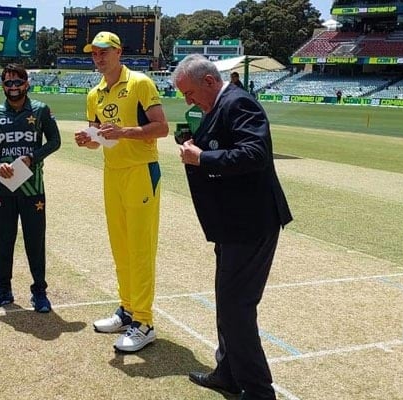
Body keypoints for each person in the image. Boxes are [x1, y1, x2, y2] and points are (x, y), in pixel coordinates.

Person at [172, 54, 292, 399]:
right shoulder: (218, 106)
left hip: (251, 224)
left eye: (190, 93)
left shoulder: (239, 102)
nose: (188, 101)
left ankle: (258, 391)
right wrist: (196, 146)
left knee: (236, 307)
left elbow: (255, 153)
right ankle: (228, 372)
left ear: (209, 82)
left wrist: (202, 157)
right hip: (232, 224)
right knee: (227, 303)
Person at [74, 31, 169, 352]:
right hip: (112, 173)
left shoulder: (140, 83)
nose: (97, 58)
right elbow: (102, 138)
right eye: (93, 53)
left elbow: (162, 127)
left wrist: (124, 131)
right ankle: (128, 309)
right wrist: (88, 140)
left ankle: (144, 321)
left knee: (140, 248)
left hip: (141, 172)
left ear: (118, 52)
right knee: (121, 247)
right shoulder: (94, 94)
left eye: (103, 52)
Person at [0, 63, 61, 313]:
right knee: (4, 239)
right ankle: (2, 289)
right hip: (4, 187)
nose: (13, 87)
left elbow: (55, 141)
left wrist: (32, 158)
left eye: (18, 82)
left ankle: (39, 291)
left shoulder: (40, 109)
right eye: (8, 83)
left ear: (26, 84)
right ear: (2, 85)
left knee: (34, 241)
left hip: (32, 187)